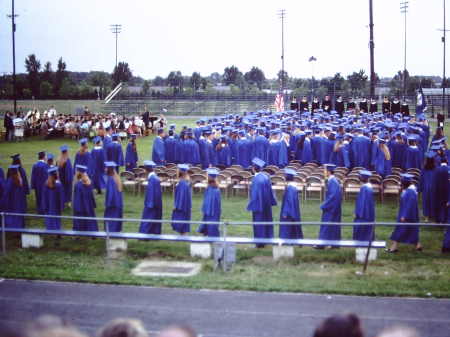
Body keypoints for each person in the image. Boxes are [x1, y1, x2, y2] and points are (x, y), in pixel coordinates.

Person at [387, 173, 422, 252]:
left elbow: (409, 205)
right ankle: (418, 245)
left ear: (405, 183)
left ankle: (394, 247)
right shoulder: (408, 190)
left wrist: (404, 216)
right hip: (408, 215)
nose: (401, 185)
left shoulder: (410, 192)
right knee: (411, 231)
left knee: (400, 230)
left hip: (407, 216)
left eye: (402, 183)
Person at [247, 157, 277, 248]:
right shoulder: (265, 177)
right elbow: (271, 192)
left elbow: (255, 195)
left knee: (259, 223)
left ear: (253, 168)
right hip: (266, 205)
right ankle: (268, 239)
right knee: (266, 221)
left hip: (258, 205)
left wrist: (253, 205)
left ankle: (259, 243)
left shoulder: (256, 180)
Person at [317, 164, 342, 246]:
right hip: (333, 207)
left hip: (331, 208)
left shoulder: (333, 181)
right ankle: (334, 244)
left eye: (324, 170)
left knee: (326, 226)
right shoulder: (332, 180)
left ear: (328, 172)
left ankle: (321, 244)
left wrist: (324, 205)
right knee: (333, 227)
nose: (323, 172)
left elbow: (333, 196)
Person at [139, 160, 163, 235]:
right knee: (154, 219)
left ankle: (144, 235)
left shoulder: (152, 179)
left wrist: (150, 204)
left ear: (145, 170)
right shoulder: (154, 177)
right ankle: (153, 233)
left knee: (148, 218)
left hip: (151, 203)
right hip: (156, 203)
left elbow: (152, 192)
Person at [279, 168, 303, 239]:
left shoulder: (290, 188)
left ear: (288, 177)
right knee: (294, 225)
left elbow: (289, 201)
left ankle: (285, 239)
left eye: (285, 175)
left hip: (289, 211)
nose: (284, 176)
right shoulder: (292, 187)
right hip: (293, 210)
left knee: (286, 226)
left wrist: (285, 212)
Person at [73, 165, 98, 232]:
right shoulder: (89, 182)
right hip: (88, 205)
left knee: (80, 219)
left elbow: (77, 197)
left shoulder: (78, 185)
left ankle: (79, 232)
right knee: (90, 218)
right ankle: (92, 231)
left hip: (81, 205)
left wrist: (76, 206)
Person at [197, 168, 221, 237]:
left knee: (212, 226)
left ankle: (212, 237)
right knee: (207, 223)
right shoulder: (209, 187)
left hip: (212, 212)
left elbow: (214, 204)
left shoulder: (215, 190)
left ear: (210, 177)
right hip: (208, 211)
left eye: (207, 176)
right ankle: (206, 233)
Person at [353, 170, 375, 241]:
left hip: (363, 214)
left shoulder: (364, 188)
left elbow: (362, 203)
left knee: (361, 228)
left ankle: (361, 242)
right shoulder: (369, 188)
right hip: (369, 213)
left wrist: (357, 213)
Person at [41, 166, 64, 232]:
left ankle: (49, 228)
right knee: (56, 218)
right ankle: (57, 230)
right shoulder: (59, 185)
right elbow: (61, 197)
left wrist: (44, 205)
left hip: (48, 205)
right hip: (56, 206)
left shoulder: (46, 184)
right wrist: (61, 206)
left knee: (49, 216)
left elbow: (44, 196)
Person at [171, 164, 192, 234]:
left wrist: (177, 205)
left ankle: (183, 233)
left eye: (178, 170)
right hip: (185, 205)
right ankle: (183, 232)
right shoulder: (184, 181)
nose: (177, 171)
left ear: (181, 172)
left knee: (181, 219)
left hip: (181, 205)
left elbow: (181, 196)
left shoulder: (183, 183)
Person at [104, 161, 123, 232]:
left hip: (113, 204)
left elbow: (111, 194)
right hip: (118, 202)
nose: (105, 169)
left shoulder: (111, 179)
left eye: (106, 168)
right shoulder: (116, 177)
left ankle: (111, 233)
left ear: (110, 169)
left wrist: (107, 204)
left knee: (111, 219)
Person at [419, 152, 436, 222]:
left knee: (426, 202)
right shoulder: (436, 169)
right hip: (433, 188)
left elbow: (421, 180)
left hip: (425, 188)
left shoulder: (423, 169)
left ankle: (426, 217)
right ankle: (433, 215)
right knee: (433, 201)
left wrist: (420, 189)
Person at [433, 158, 449, 223]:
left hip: (438, 190)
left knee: (439, 205)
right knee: (446, 205)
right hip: (448, 190)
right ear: (446, 161)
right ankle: (445, 219)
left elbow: (435, 180)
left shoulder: (437, 169)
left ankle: (439, 219)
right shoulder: (449, 169)